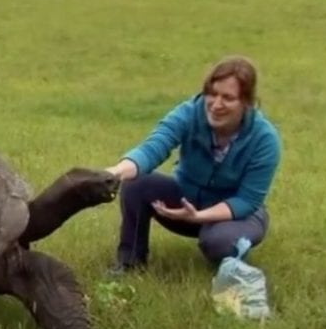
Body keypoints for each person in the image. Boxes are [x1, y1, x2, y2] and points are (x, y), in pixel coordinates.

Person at [104, 55, 281, 275]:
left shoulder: (265, 139)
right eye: (212, 94)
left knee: (219, 242)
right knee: (135, 183)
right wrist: (114, 173)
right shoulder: (189, 114)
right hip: (185, 202)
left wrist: (199, 217)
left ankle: (230, 257)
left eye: (227, 98)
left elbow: (247, 200)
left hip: (234, 215)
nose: (216, 105)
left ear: (246, 102)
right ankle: (129, 264)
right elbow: (153, 148)